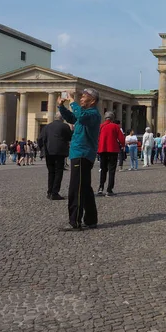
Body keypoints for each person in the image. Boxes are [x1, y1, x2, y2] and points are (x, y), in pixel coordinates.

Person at [58, 89, 101, 230]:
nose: (81, 98)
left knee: (76, 188)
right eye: (81, 96)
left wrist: (72, 101)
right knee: (85, 188)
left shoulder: (93, 114)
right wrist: (61, 107)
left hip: (82, 153)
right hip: (80, 153)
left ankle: (75, 221)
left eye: (84, 96)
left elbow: (80, 116)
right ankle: (91, 219)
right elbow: (72, 118)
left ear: (92, 100)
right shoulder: (84, 113)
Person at [40, 112, 72, 200]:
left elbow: (40, 139)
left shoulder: (46, 127)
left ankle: (49, 192)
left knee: (51, 172)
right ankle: (54, 193)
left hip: (48, 152)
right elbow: (70, 137)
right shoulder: (65, 126)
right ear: (62, 118)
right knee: (58, 172)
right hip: (59, 152)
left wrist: (42, 150)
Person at [97, 111, 125, 197]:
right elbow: (121, 138)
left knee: (103, 169)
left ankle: (101, 188)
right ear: (112, 118)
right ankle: (109, 190)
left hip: (102, 150)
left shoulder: (100, 126)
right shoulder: (115, 126)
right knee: (112, 171)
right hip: (112, 150)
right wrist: (123, 145)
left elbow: (97, 137)